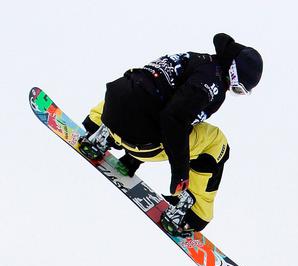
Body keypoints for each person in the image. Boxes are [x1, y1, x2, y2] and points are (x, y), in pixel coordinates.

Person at [78, 34, 263, 235]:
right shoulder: (212, 84)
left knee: (138, 90)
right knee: (217, 142)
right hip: (143, 140)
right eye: (238, 88)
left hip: (112, 114)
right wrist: (180, 173)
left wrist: (133, 159)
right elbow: (173, 120)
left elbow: (156, 98)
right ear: (233, 73)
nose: (234, 91)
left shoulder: (194, 59)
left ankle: (96, 130)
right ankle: (193, 212)